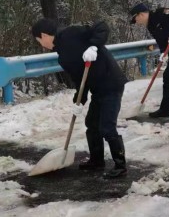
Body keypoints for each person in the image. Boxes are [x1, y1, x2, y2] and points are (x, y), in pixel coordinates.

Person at [31, 18, 128, 179]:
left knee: (107, 127)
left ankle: (120, 166)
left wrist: (93, 46)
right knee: (92, 124)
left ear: (44, 35)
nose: (41, 44)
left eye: (39, 40)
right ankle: (97, 161)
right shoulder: (62, 56)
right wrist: (79, 100)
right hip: (98, 89)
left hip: (111, 83)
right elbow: (79, 80)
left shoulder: (72, 33)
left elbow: (101, 25)